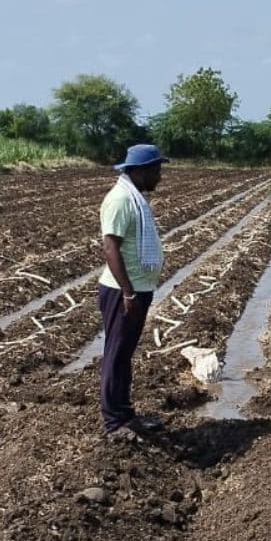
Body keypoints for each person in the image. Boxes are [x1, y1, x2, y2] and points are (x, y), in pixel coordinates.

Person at [98, 144, 170, 441]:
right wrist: (127, 292)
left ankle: (125, 414)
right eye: (155, 170)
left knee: (124, 353)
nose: (159, 176)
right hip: (122, 291)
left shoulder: (134, 197)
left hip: (137, 289)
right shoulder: (119, 200)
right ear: (138, 171)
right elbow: (109, 246)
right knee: (116, 354)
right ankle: (114, 423)